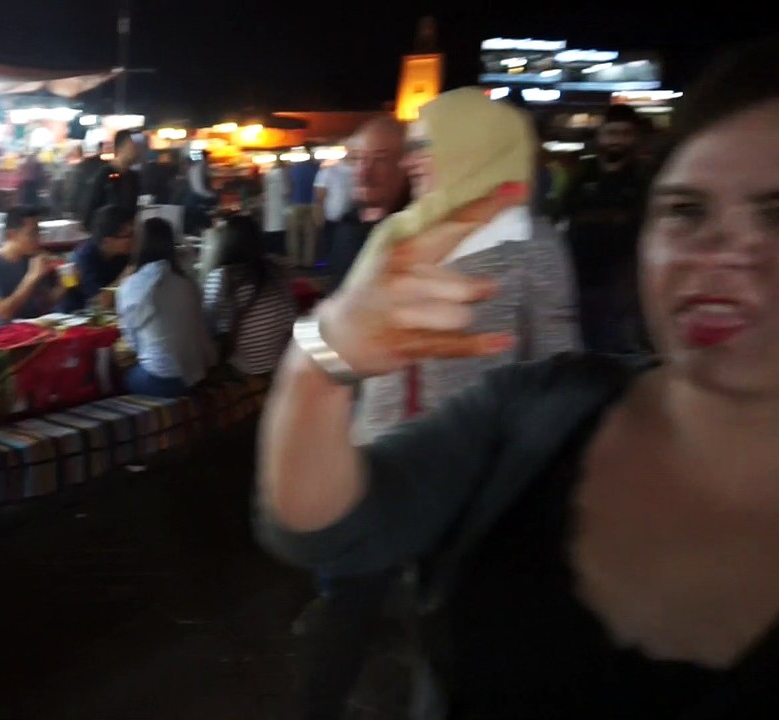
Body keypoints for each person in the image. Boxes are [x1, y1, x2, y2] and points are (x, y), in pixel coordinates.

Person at [258, 38, 779, 718]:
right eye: (686, 212)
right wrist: (317, 366)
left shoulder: (529, 247)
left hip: (464, 459)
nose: (724, 255)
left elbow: (554, 339)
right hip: (408, 445)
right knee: (366, 596)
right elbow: (319, 518)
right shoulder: (535, 414)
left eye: (776, 216)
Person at [291, 89, 580, 720]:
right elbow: (339, 346)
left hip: (465, 467)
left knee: (448, 619)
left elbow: (558, 368)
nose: (413, 161)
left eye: (426, 146)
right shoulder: (397, 234)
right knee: (346, 608)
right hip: (377, 452)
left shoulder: (532, 245)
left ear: (474, 151)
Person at [558, 103, 650, 354]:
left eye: (624, 134)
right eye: (611, 133)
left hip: (625, 288)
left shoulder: (645, 180)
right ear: (599, 137)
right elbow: (562, 215)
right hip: (579, 282)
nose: (617, 141)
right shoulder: (583, 176)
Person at [118, 218, 216, 397]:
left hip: (162, 380)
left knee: (122, 376)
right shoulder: (188, 282)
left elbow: (132, 343)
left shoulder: (132, 285)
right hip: (198, 374)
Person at [203, 215, 297, 377]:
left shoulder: (221, 277)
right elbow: (290, 321)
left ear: (226, 242)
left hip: (240, 367)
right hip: (275, 363)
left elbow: (206, 324)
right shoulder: (275, 272)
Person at [326, 116, 413, 285]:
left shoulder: (415, 235)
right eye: (358, 158)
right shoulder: (346, 224)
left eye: (380, 159)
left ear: (406, 165)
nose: (363, 172)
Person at [0, 206, 63, 331]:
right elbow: (4, 313)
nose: (38, 240)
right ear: (11, 235)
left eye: (39, 233)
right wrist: (32, 277)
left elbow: (46, 303)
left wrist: (64, 284)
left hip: (31, 332)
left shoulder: (31, 259)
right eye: (32, 234)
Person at [59, 205, 136, 313]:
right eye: (129, 235)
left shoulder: (123, 254)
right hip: (74, 318)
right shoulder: (83, 258)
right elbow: (101, 303)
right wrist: (125, 276)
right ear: (107, 241)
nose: (134, 239)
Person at [312, 139, 356, 269]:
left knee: (330, 242)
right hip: (349, 216)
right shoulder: (357, 171)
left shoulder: (328, 171)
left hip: (334, 215)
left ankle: (329, 265)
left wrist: (318, 214)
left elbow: (320, 196)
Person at [83, 130, 141, 224]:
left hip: (127, 233)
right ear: (121, 148)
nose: (136, 151)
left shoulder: (133, 177)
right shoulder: (104, 175)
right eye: (132, 146)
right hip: (107, 233)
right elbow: (91, 207)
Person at [287, 148, 321, 268]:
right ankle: (309, 261)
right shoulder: (316, 169)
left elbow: (290, 187)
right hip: (312, 205)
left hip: (296, 204)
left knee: (294, 235)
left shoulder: (293, 170)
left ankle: (295, 261)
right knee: (310, 235)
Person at [261, 160, 290, 256]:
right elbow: (285, 191)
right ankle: (279, 251)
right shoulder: (282, 175)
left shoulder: (267, 175)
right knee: (279, 229)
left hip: (270, 207)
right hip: (280, 207)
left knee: (271, 228)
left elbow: (264, 192)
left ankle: (270, 251)